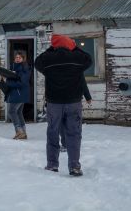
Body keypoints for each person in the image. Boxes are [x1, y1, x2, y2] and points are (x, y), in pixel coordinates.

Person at [35, 34, 92, 176]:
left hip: (54, 103)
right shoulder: (77, 58)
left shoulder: (48, 59)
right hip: (74, 102)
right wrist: (74, 47)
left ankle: (52, 165)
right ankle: (74, 167)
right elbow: (88, 59)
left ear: (54, 45)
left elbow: (37, 62)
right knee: (74, 134)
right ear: (69, 44)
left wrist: (51, 49)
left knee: (53, 133)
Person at [2, 50, 31, 140]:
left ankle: (19, 131)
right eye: (16, 57)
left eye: (19, 57)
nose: (17, 59)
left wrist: (7, 81)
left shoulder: (24, 68)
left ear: (23, 58)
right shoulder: (13, 67)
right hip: (16, 93)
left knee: (12, 111)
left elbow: (21, 83)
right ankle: (23, 132)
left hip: (20, 93)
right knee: (18, 112)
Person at [60, 78, 92, 152]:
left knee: (68, 124)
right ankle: (69, 145)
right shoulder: (76, 67)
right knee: (66, 125)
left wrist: (88, 96)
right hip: (67, 101)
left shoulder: (76, 68)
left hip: (70, 101)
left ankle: (69, 145)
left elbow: (82, 82)